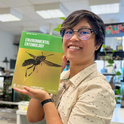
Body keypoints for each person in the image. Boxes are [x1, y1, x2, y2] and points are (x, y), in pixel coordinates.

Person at [14, 10, 116, 124]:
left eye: (84, 32)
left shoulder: (98, 89)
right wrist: (47, 82)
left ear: (97, 44)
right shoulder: (62, 77)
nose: (73, 38)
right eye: (68, 32)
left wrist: (45, 99)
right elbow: (33, 117)